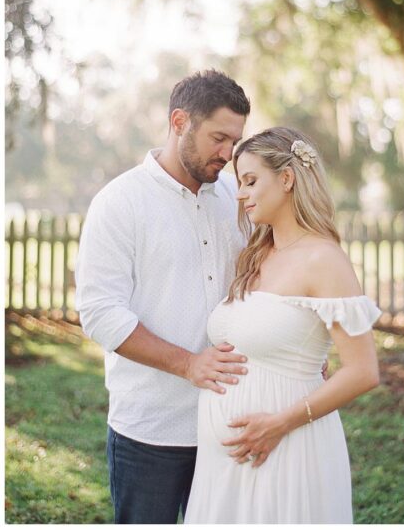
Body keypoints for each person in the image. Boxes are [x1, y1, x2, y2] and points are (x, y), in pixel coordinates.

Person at [76, 70, 252, 523]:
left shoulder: (238, 197)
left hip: (230, 423)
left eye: (235, 140)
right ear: (179, 122)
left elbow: (269, 275)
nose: (228, 154)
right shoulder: (120, 203)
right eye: (218, 138)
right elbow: (100, 314)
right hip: (149, 431)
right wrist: (188, 364)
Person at [183, 127, 381, 523]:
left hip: (287, 448)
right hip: (223, 466)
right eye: (239, 183)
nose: (240, 194)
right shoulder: (254, 255)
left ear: (287, 179)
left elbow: (363, 372)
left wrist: (278, 424)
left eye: (251, 182)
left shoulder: (323, 259)